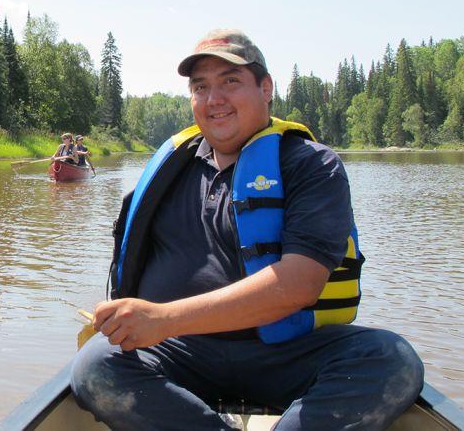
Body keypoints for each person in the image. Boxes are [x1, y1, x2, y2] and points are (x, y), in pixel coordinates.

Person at [70, 29, 424, 431]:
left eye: (230, 82)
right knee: (96, 366)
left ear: (266, 88)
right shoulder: (171, 169)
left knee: (390, 359)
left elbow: (298, 284)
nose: (214, 99)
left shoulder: (311, 166)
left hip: (288, 354)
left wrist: (165, 318)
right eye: (200, 87)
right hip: (182, 353)